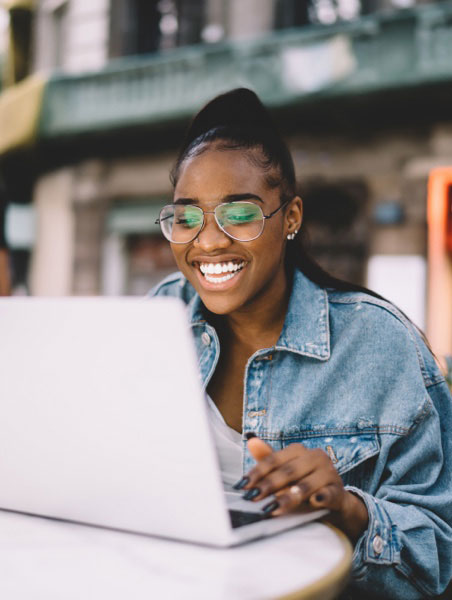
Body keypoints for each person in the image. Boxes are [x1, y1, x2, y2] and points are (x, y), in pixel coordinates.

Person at [151, 88, 452, 598]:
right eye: (186, 217)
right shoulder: (160, 318)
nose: (207, 242)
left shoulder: (380, 344)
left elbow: (441, 550)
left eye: (240, 214)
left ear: (290, 217)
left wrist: (347, 509)